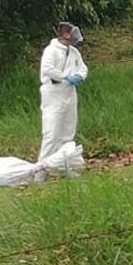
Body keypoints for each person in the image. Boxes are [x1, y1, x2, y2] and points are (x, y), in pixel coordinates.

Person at [36, 22, 88, 182]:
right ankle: (39, 173)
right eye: (71, 32)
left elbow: (83, 68)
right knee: (51, 134)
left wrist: (79, 76)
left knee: (67, 133)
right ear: (65, 34)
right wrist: (65, 77)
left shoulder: (74, 52)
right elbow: (47, 69)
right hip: (53, 93)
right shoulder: (51, 50)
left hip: (70, 93)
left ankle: (65, 168)